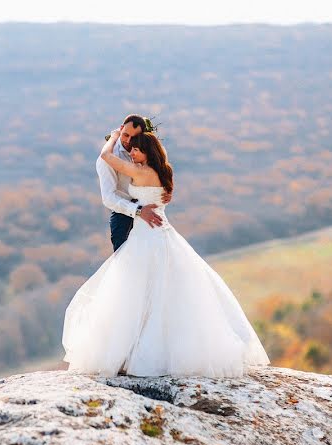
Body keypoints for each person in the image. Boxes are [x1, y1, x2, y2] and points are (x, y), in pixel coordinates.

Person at [62, 128, 270, 377]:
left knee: (135, 291)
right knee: (163, 292)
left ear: (146, 152)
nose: (131, 153)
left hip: (146, 236)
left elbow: (106, 157)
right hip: (162, 233)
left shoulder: (141, 171)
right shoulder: (163, 171)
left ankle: (137, 352)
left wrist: (115, 136)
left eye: (136, 149)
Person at [97, 115, 172, 252]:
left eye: (134, 138)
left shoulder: (154, 152)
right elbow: (108, 197)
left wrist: (166, 190)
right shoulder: (109, 157)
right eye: (125, 135)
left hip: (152, 217)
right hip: (124, 216)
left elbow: (163, 173)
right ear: (120, 129)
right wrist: (138, 211)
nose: (128, 141)